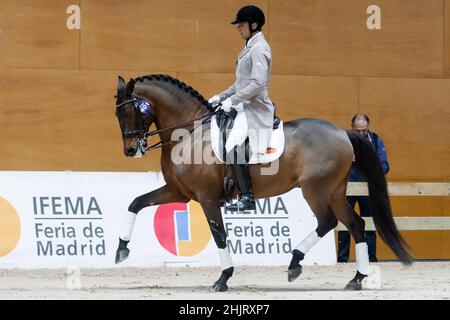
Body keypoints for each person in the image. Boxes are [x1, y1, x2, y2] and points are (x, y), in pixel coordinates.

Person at [209, 5, 275, 211]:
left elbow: (257, 83)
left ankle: (247, 197)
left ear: (253, 25)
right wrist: (222, 96)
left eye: (241, 24)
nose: (238, 28)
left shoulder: (259, 48)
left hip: (254, 108)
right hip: (243, 105)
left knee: (233, 144)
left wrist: (233, 101)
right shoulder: (248, 47)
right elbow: (241, 84)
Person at [337, 114, 390, 263]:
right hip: (347, 187)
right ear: (351, 128)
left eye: (364, 131)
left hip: (368, 188)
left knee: (370, 224)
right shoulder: (344, 140)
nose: (361, 134)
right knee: (344, 223)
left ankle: (371, 258)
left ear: (368, 128)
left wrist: (364, 162)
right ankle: (342, 259)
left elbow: (384, 166)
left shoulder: (376, 140)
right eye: (357, 131)